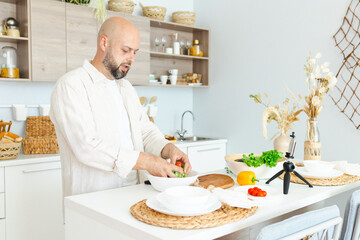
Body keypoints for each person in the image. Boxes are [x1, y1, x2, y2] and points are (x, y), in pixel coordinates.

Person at [50, 16, 191, 197]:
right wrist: (147, 161)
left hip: (132, 194)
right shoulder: (71, 85)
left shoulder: (126, 88)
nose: (131, 59)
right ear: (104, 43)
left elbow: (145, 132)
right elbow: (86, 147)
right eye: (125, 50)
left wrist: (168, 148)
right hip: (91, 201)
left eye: (135, 52)